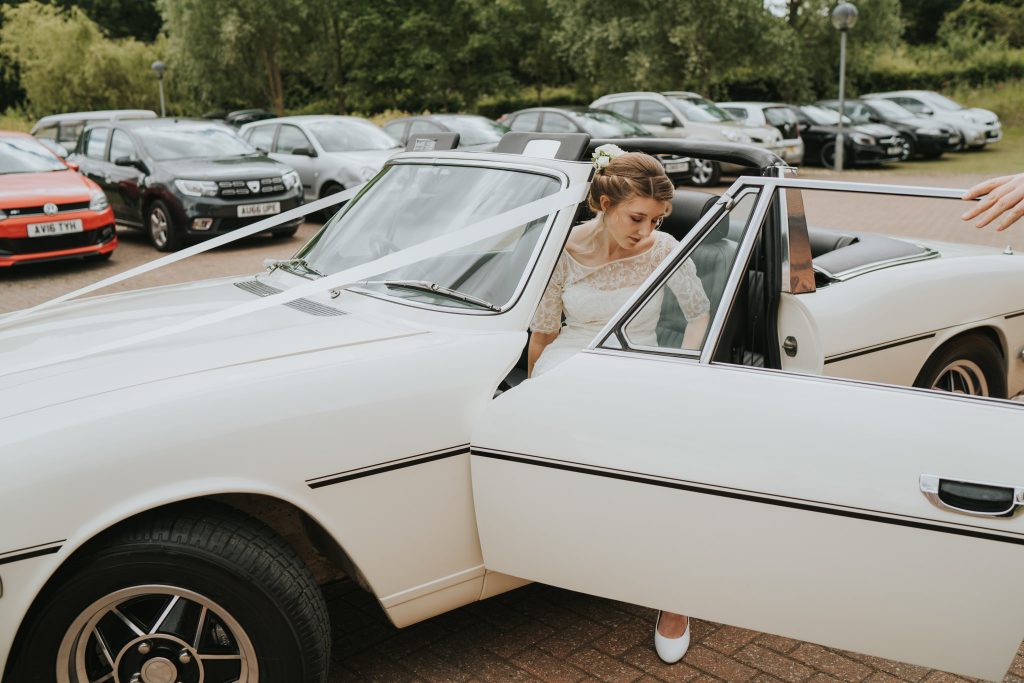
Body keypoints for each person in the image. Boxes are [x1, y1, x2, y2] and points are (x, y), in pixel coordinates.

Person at [528, 145, 711, 663]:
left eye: (656, 219)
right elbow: (545, 330)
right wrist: (527, 386)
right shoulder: (561, 250)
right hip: (570, 365)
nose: (645, 230)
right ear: (602, 202)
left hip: (640, 365)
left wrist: (678, 365)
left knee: (664, 473)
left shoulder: (663, 248)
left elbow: (698, 314)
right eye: (636, 217)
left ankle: (675, 597)